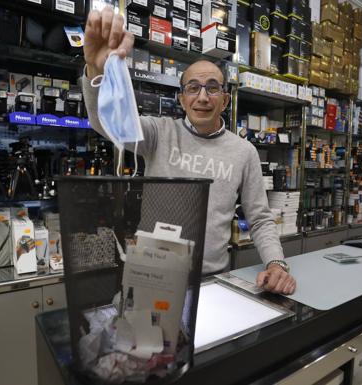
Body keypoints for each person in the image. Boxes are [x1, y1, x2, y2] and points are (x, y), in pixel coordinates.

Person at [82, 7, 296, 295]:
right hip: (150, 273)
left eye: (212, 88)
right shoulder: (159, 133)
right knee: (142, 340)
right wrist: (96, 71)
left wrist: (276, 263)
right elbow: (105, 123)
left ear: (225, 100)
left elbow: (259, 217)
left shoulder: (244, 152)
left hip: (210, 280)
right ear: (181, 99)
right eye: (193, 88)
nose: (203, 97)